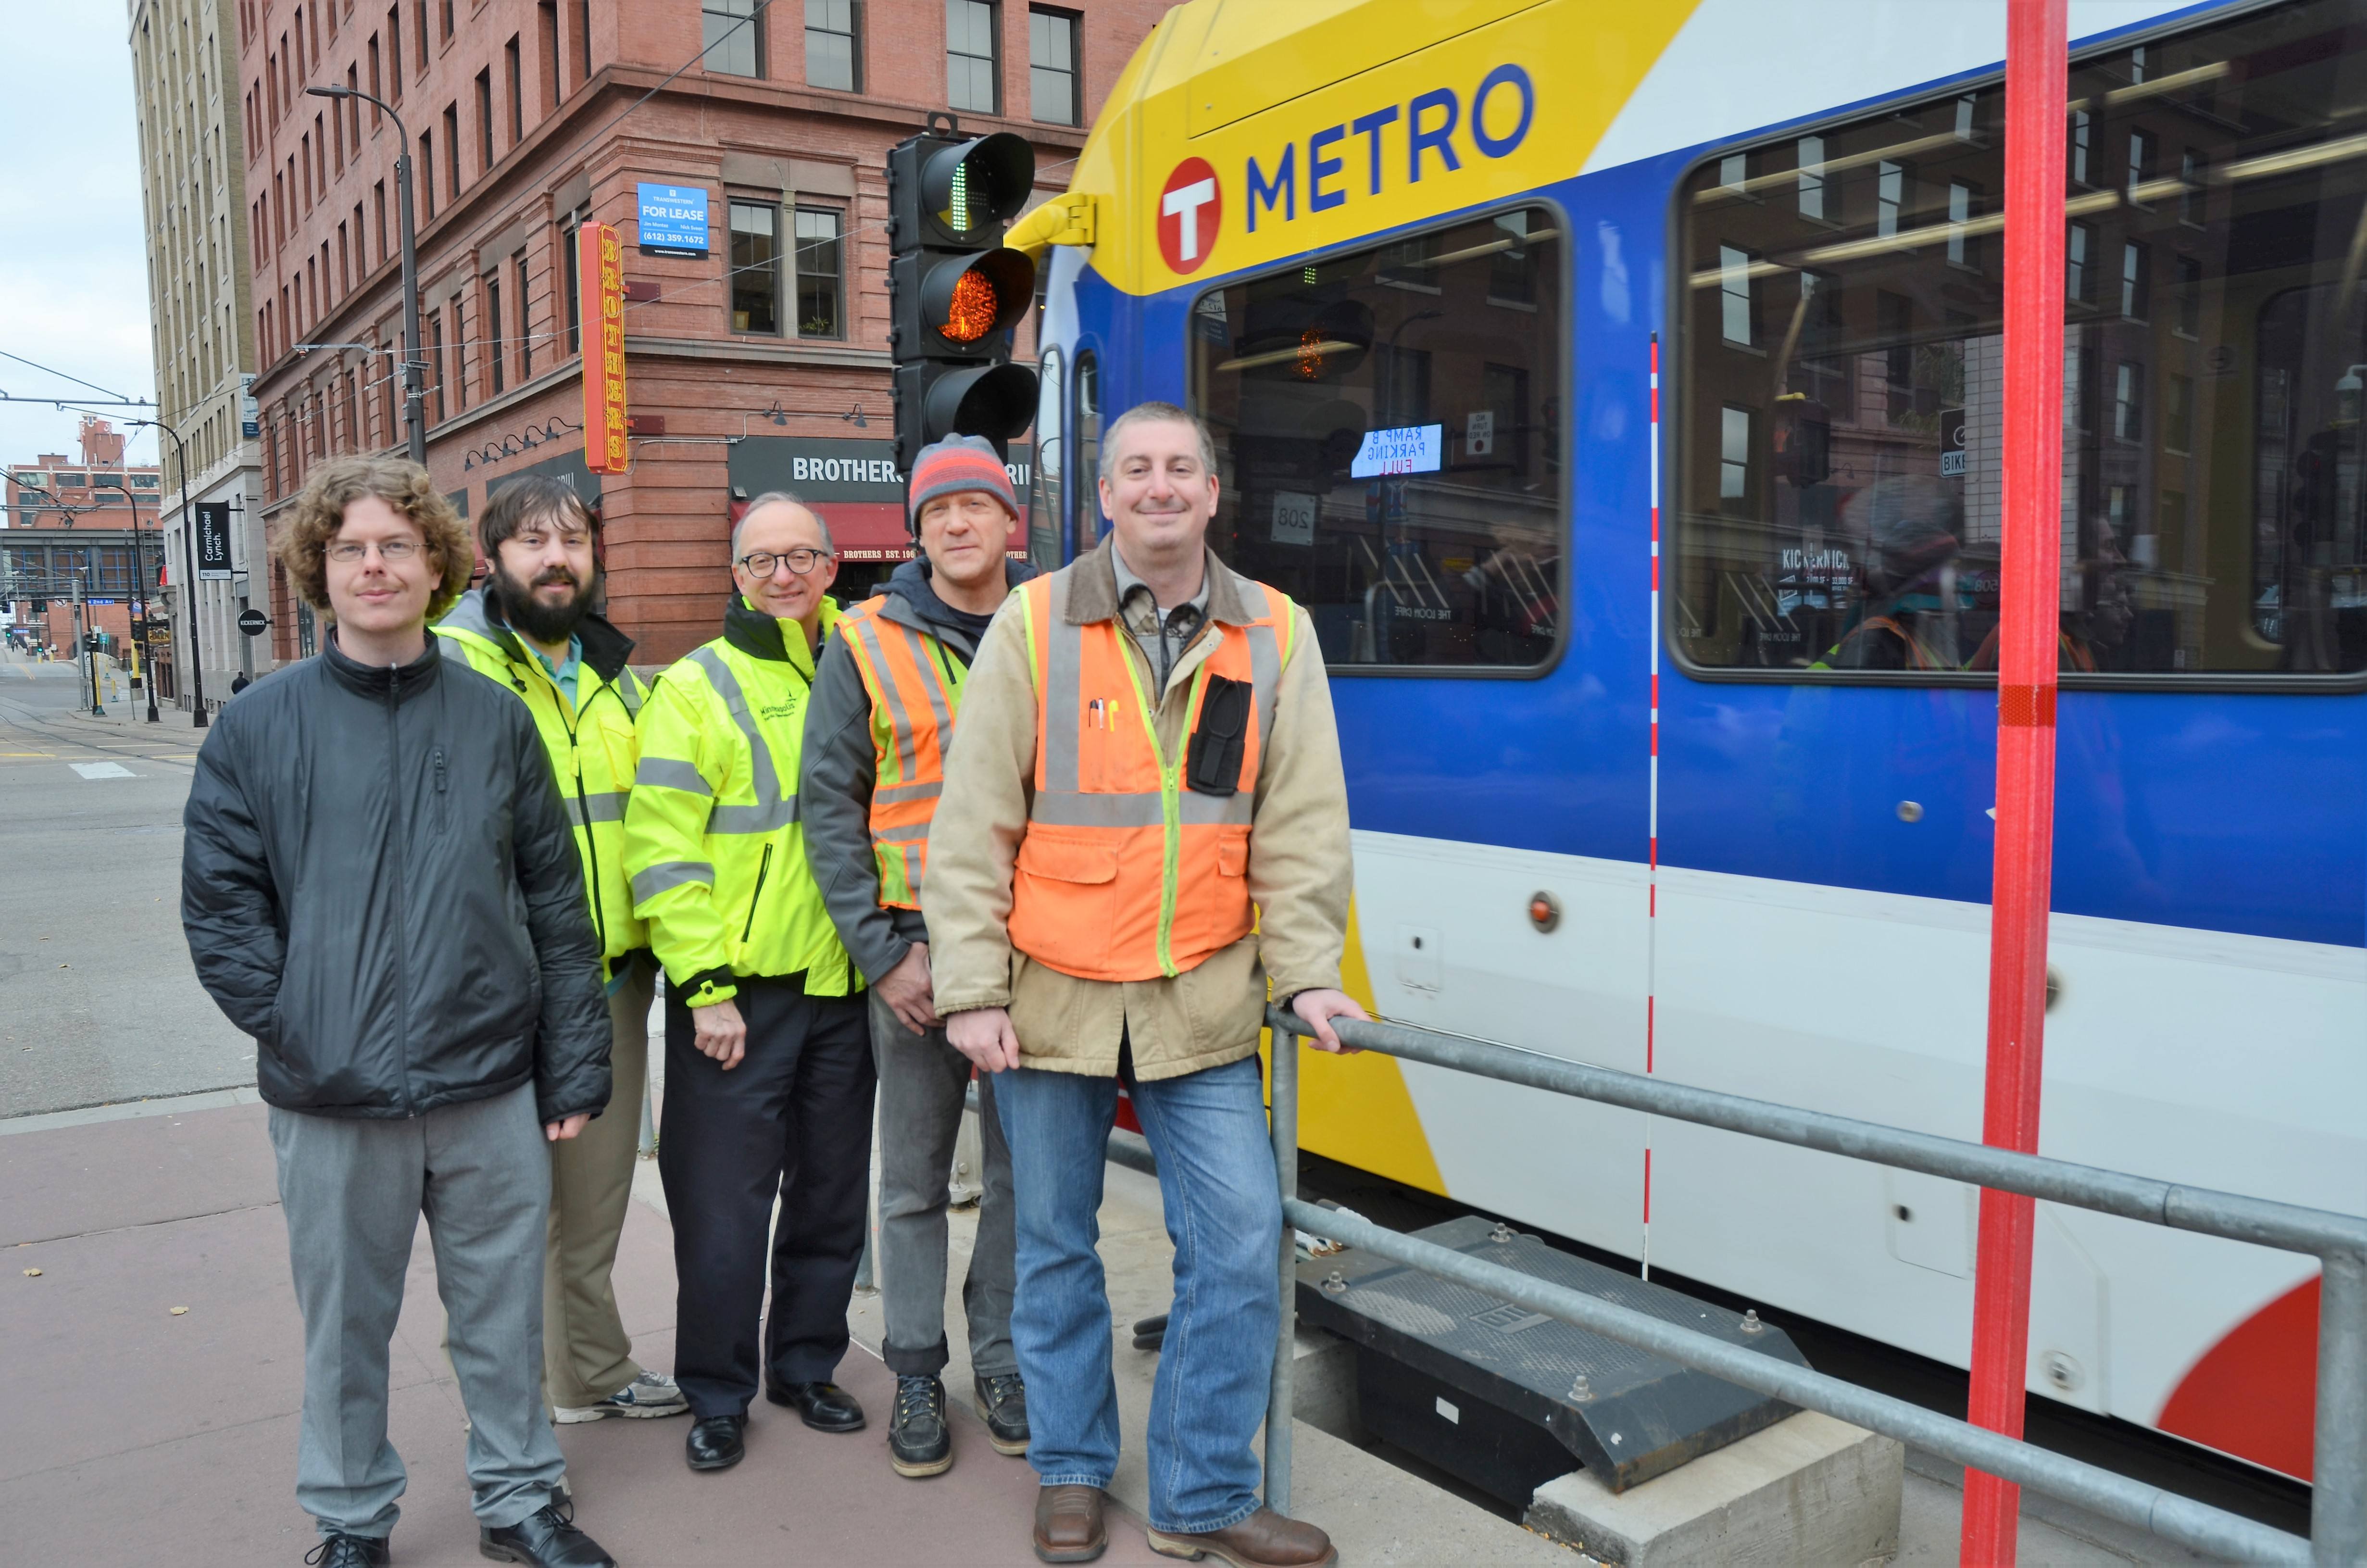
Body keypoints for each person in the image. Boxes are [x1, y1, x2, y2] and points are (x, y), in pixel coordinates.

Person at [927, 403, 1364, 1568]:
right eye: (1136, 468)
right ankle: (1070, 1469)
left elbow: (1301, 822)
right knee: (1051, 1246)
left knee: (1237, 1242)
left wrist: (1305, 974)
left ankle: (1202, 1490)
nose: (1159, 485)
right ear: (1106, 494)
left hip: (1199, 994)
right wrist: (971, 988)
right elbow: (972, 823)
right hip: (1050, 997)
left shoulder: (1275, 630)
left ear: (1212, 493)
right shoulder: (1032, 621)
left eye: (1180, 467)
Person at [179, 455, 618, 1568]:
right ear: (318, 571)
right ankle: (350, 1517)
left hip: (488, 1080)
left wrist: (571, 1061)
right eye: (349, 548)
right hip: (331, 1091)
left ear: (436, 567)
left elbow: (556, 900)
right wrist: (300, 1024)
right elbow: (222, 905)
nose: (373, 565)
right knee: (345, 1323)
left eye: (395, 545)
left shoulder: (496, 721)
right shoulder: (257, 726)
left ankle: (520, 1499)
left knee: (500, 1311)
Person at [624, 492, 875, 1475]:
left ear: (830, 567)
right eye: (761, 560)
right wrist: (705, 985)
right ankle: (717, 1392)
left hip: (844, 985)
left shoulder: (863, 662)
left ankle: (806, 1366)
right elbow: (662, 847)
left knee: (830, 1197)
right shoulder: (696, 685)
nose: (782, 575)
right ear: (735, 576)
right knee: (723, 1211)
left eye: (801, 556)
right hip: (737, 997)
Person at [801, 436, 1034, 1480]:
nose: (955, 523)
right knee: (913, 1180)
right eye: (936, 510)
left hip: (1035, 948)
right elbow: (830, 807)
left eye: (975, 504)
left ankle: (1003, 1360)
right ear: (916, 531)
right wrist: (882, 954)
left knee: (1026, 1177)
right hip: (915, 955)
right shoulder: (863, 640)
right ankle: (914, 1370)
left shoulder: (1053, 626)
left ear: (1008, 520)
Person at [433, 477, 687, 1429]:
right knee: (504, 1204)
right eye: (533, 541)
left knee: (595, 1194)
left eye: (572, 540)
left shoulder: (620, 676)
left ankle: (582, 1370)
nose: (555, 558)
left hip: (611, 979)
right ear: (490, 559)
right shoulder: (451, 666)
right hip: (500, 984)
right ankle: (517, 1394)